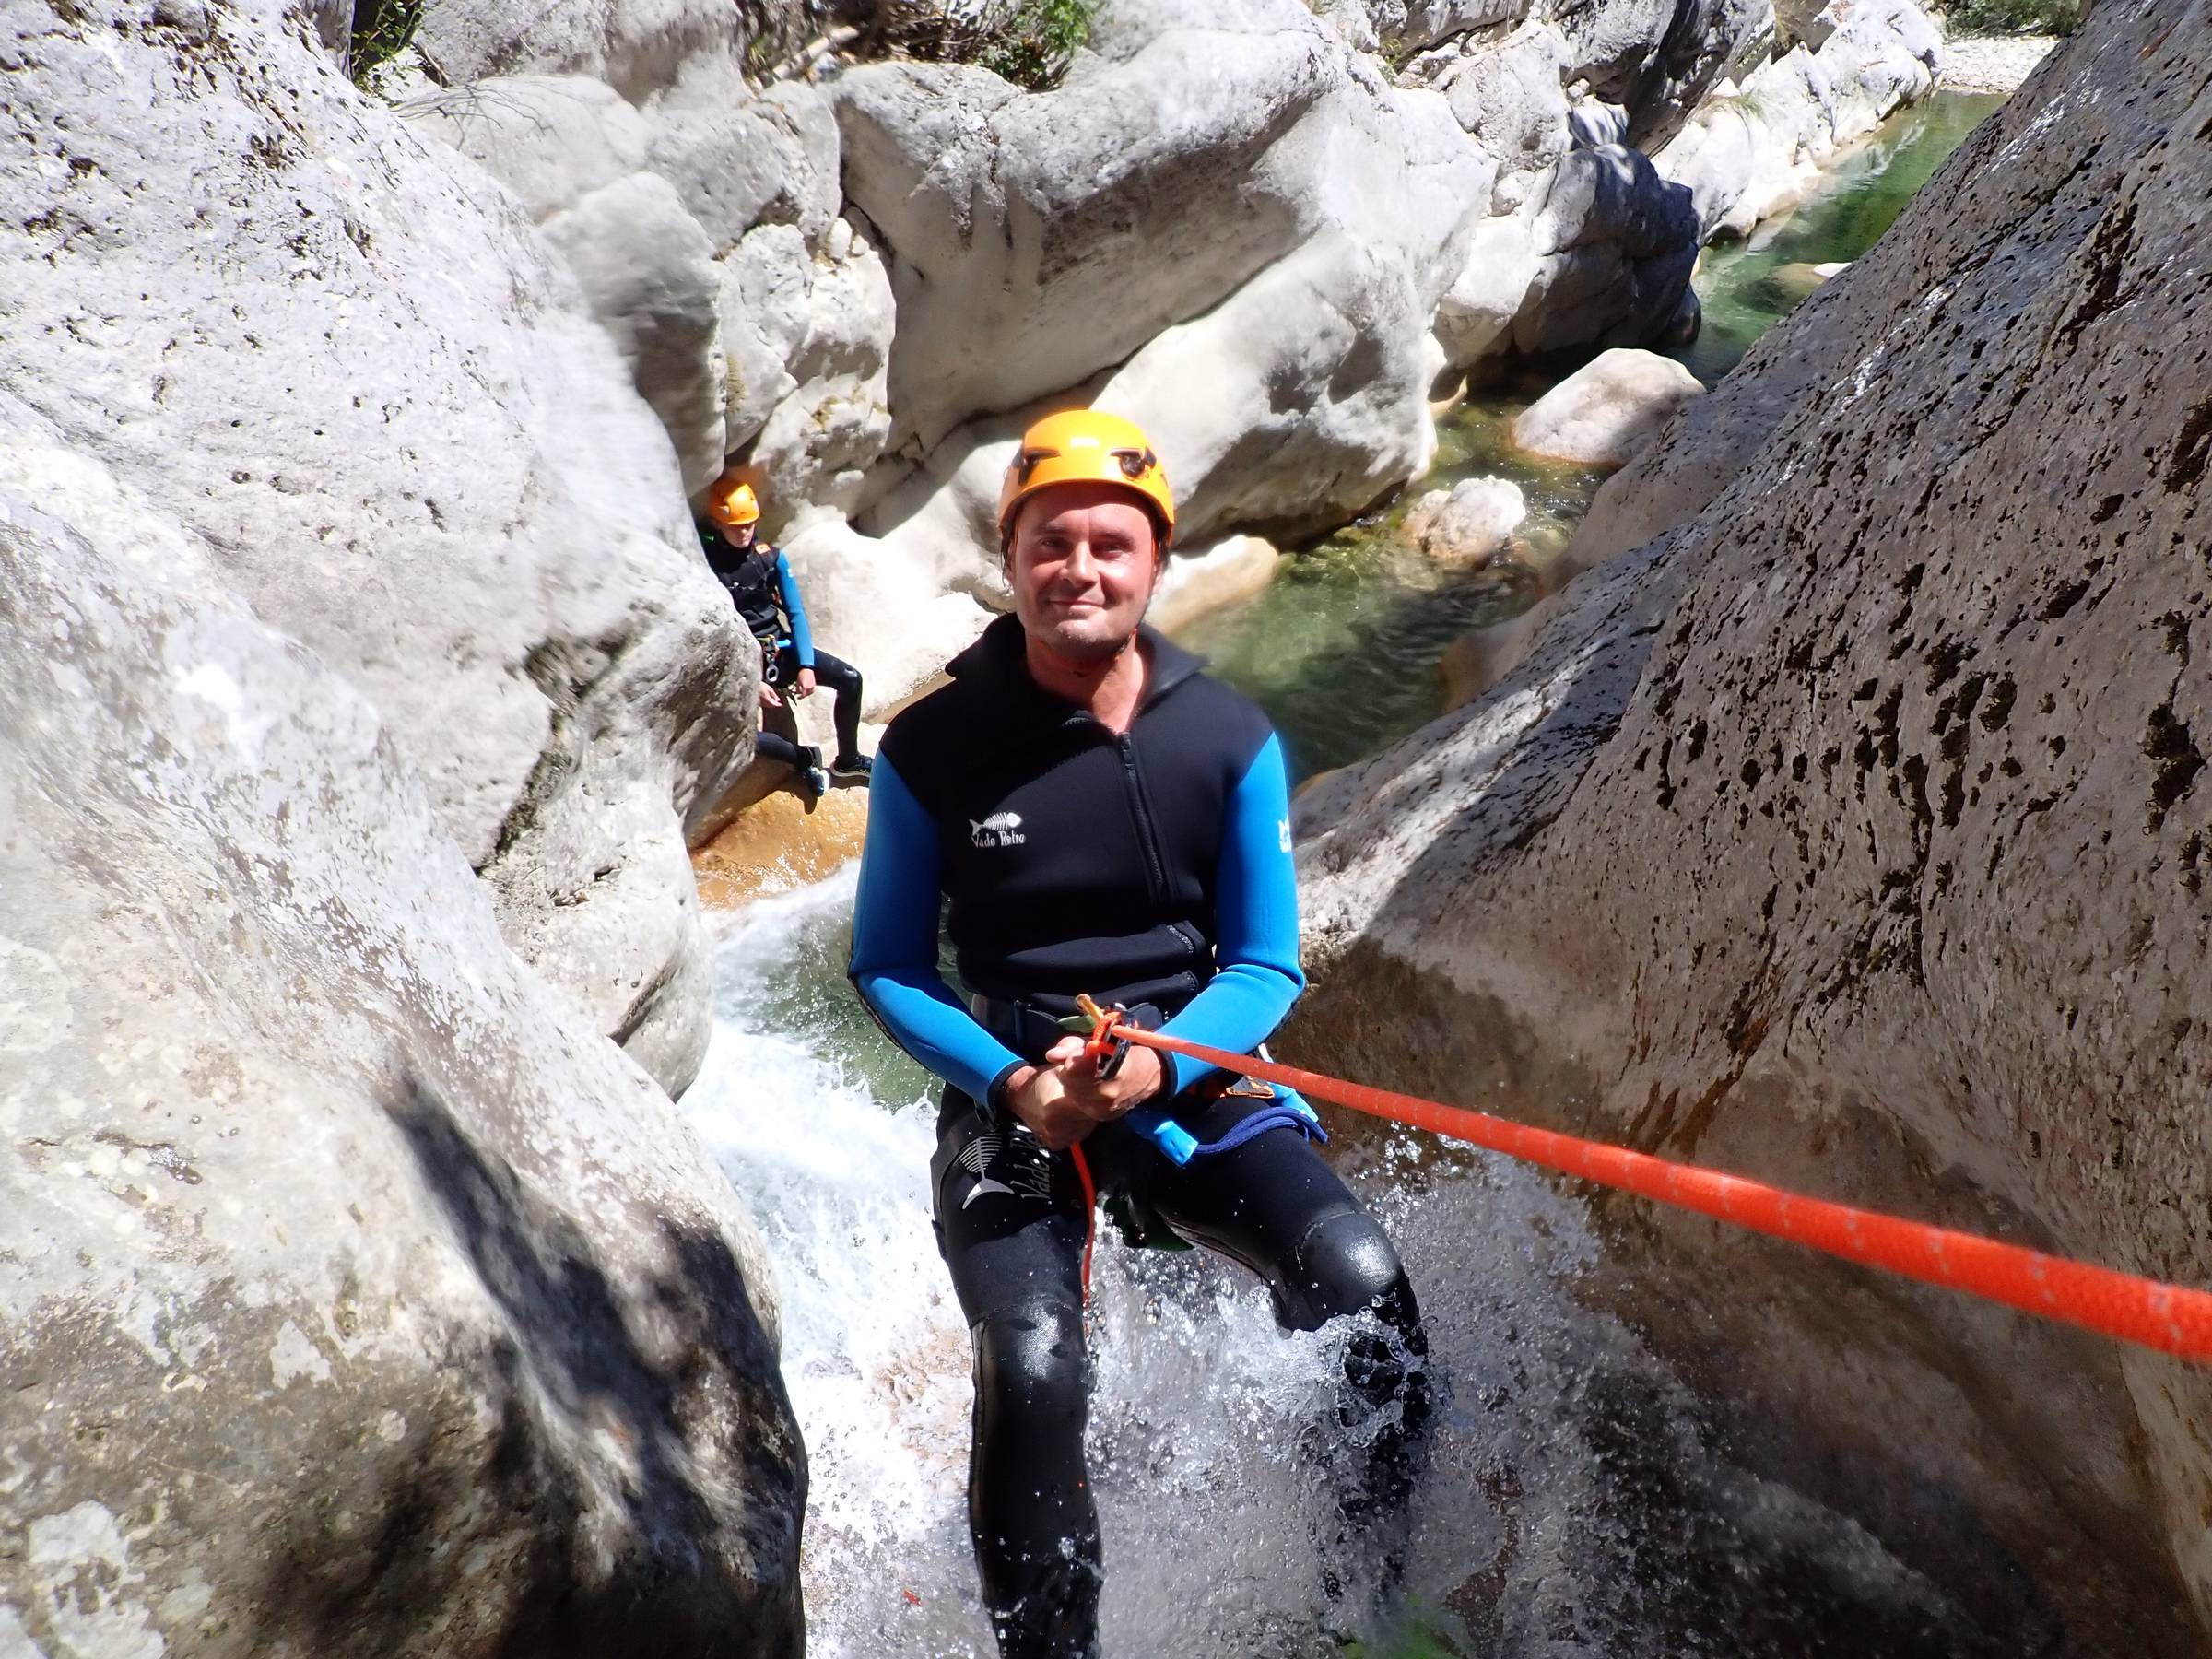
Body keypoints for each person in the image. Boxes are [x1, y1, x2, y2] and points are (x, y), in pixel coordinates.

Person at [848, 409, 1430, 1658]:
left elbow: (1265, 962)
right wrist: (1014, 1084)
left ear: (1156, 560)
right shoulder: (933, 748)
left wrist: (1164, 1060)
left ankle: (1365, 1612)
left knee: (1364, 1288)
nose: (1081, 569)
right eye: (1050, 542)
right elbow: (887, 965)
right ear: (1010, 559)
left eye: (1111, 544)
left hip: (1190, 1073)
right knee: (1032, 1363)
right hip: (1016, 1087)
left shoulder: (1225, 739)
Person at [698, 477, 871, 783]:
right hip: (741, 659)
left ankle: (849, 760)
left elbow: (795, 613)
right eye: (736, 526)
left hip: (778, 649)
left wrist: (806, 666)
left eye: (749, 524)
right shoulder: (708, 566)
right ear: (717, 524)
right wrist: (752, 681)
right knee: (740, 737)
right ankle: (803, 757)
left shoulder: (770, 558)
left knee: (850, 679)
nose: (744, 532)